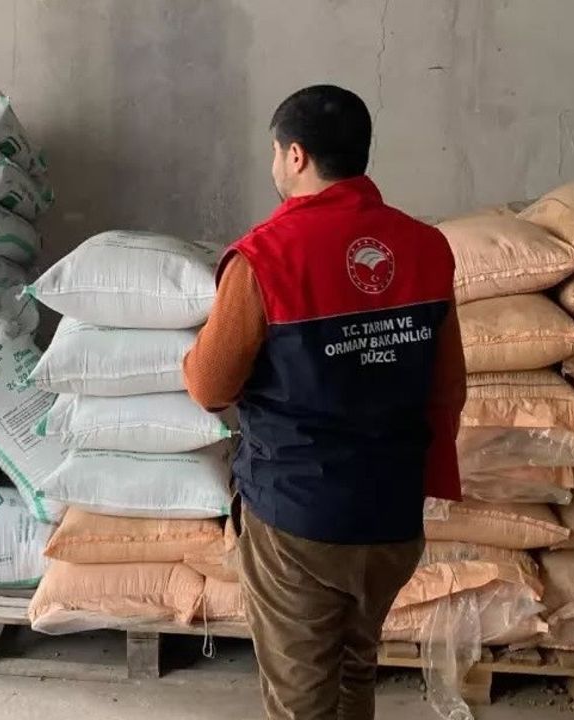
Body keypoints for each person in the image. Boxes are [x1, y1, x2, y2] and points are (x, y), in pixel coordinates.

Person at [184, 85, 466, 720]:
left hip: (299, 519)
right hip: (392, 514)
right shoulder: (426, 247)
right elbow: (450, 385)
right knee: (354, 668)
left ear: (296, 155)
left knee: (302, 697)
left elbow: (209, 387)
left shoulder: (264, 257)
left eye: (276, 152)